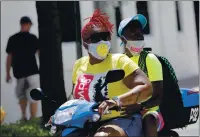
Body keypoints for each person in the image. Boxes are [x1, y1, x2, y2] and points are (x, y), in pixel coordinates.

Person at [71, 9, 153, 136]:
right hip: (88, 123)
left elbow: (146, 88)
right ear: (85, 43)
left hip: (122, 120)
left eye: (105, 36)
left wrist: (116, 101)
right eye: (96, 38)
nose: (102, 41)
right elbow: (75, 98)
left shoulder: (119, 61)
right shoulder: (79, 65)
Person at [118, 14, 164, 137]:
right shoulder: (119, 62)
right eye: (133, 31)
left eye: (140, 32)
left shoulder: (150, 59)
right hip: (125, 111)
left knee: (149, 120)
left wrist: (140, 107)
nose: (138, 34)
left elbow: (158, 97)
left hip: (149, 111)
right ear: (123, 39)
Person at [5, 16, 40, 121]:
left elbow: (9, 58)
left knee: (22, 96)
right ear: (28, 24)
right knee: (33, 96)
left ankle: (24, 116)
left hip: (19, 72)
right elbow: (39, 54)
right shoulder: (33, 38)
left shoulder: (12, 39)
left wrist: (8, 73)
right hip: (32, 71)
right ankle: (33, 118)